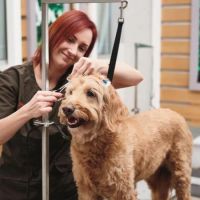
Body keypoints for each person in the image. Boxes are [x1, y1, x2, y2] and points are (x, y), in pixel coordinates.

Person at [0, 10, 143, 200]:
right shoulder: (12, 79)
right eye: (69, 39)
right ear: (54, 34)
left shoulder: (81, 81)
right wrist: (27, 111)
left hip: (65, 187)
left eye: (82, 48)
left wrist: (98, 64)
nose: (73, 50)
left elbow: (135, 77)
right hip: (16, 188)